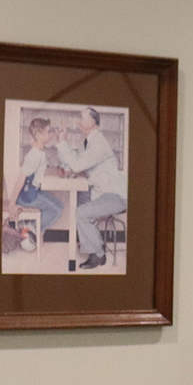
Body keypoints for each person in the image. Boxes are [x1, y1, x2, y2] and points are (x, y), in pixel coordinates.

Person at [55, 106, 128, 271]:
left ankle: (98, 254)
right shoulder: (88, 142)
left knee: (81, 213)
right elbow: (74, 160)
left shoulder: (99, 144)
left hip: (116, 195)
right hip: (101, 192)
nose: (79, 121)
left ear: (94, 122)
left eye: (82, 117)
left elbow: (77, 164)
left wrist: (62, 143)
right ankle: (91, 240)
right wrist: (63, 147)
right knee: (79, 200)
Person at [5, 117, 65, 254]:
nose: (50, 135)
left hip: (33, 192)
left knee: (60, 206)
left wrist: (57, 171)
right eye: (48, 132)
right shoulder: (34, 155)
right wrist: (11, 204)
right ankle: (29, 228)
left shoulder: (39, 152)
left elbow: (38, 173)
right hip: (28, 197)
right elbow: (21, 179)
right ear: (38, 136)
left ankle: (31, 229)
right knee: (56, 210)